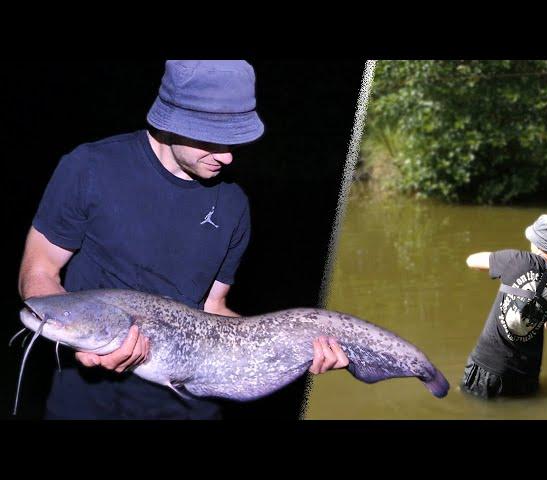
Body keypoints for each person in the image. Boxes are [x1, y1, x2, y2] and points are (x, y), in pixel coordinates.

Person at [17, 60, 348, 420]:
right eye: (212, 139)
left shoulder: (233, 203)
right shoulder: (90, 167)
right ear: (172, 119)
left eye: (234, 140)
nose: (227, 156)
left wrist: (299, 348)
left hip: (187, 404)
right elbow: (40, 268)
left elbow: (214, 308)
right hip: (84, 398)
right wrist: (76, 340)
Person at [461, 214, 547, 399]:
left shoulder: (515, 260)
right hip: (526, 376)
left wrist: (500, 266)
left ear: (535, 243)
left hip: (487, 367)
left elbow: (471, 261)